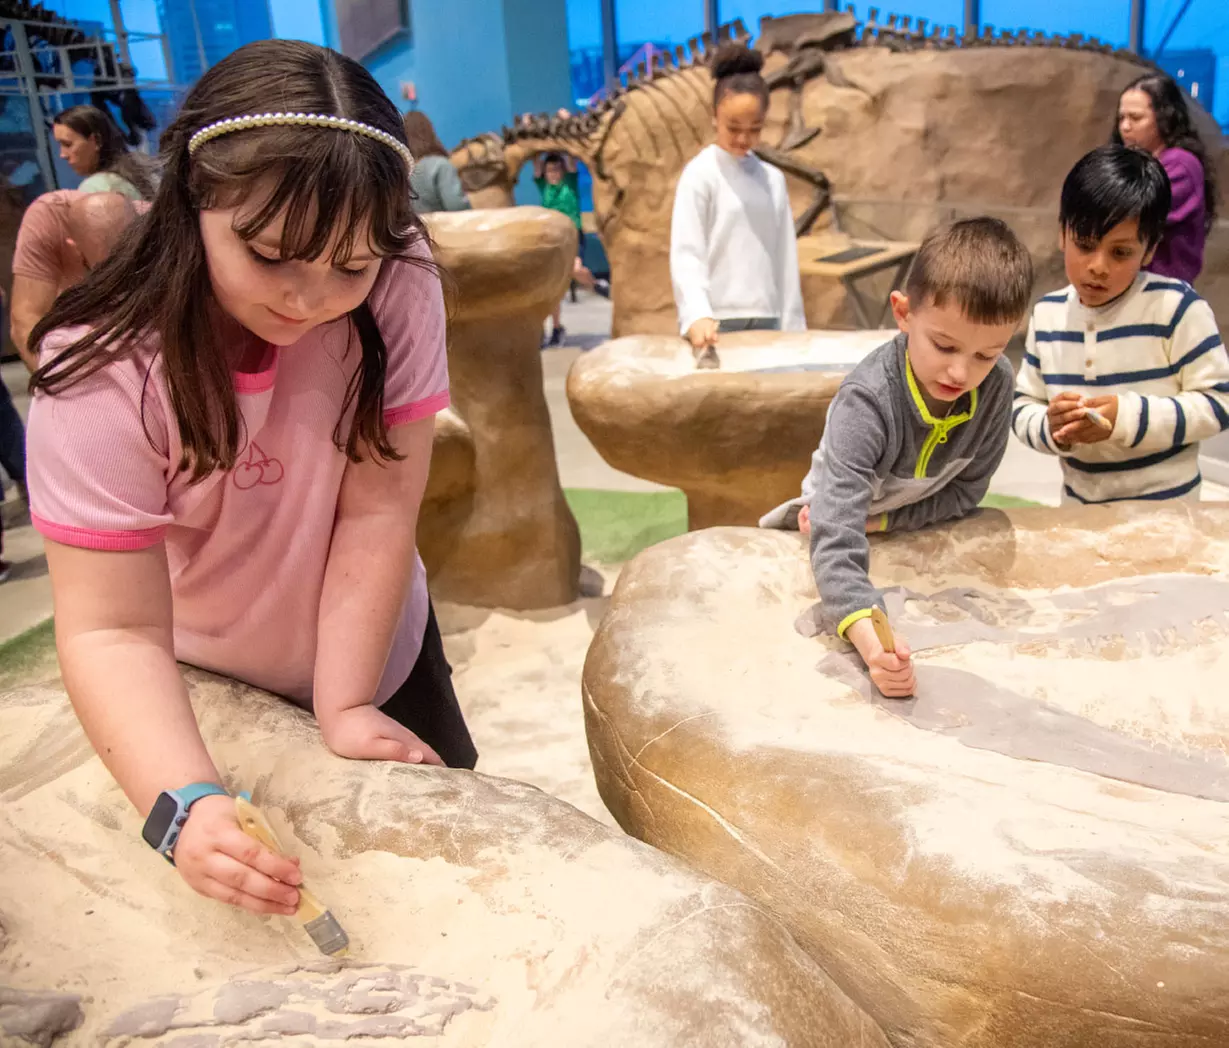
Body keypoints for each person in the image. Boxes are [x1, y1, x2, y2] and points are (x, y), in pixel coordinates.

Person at [25, 39, 477, 921]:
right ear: (192, 198)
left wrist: (344, 700)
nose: (309, 299)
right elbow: (112, 628)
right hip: (204, 669)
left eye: (350, 267)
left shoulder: (401, 269)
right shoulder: (101, 365)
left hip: (378, 643)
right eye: (269, 255)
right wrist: (183, 805)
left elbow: (379, 505)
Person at [759, 218, 1033, 697]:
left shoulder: (998, 386)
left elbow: (967, 491)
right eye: (944, 345)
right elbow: (837, 538)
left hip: (883, 518)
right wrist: (870, 636)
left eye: (986, 354)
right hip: (825, 516)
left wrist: (885, 524)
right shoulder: (867, 402)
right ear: (903, 314)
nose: (960, 371)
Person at [1013, 144, 1229, 505]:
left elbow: (1219, 402)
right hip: (1079, 513)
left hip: (1168, 517)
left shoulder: (1175, 308)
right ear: (1062, 235)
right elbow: (1023, 405)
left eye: (1120, 252)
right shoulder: (1048, 314)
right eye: (1085, 244)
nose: (1098, 266)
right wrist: (1051, 427)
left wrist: (1127, 417)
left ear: (1148, 250)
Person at [670, 43, 805, 369]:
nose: (744, 139)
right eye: (734, 128)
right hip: (715, 324)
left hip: (768, 319)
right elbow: (687, 253)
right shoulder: (700, 175)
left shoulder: (771, 178)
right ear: (715, 115)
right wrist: (697, 314)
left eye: (754, 129)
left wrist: (794, 328)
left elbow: (785, 257)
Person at [11, 190, 141, 370]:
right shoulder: (48, 220)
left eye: (123, 268)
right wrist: (58, 387)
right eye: (102, 270)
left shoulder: (156, 224)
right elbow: (25, 320)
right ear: (75, 250)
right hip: (74, 339)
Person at [1113, 74, 1218, 284]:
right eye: (1121, 118)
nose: (1125, 127)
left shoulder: (1180, 165)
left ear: (1164, 118)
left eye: (1135, 118)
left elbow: (1127, 214)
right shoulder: (1139, 161)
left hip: (1162, 291)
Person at [533, 145, 608, 347]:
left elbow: (572, 159)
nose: (553, 174)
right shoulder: (544, 185)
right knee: (553, 286)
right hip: (552, 240)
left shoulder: (570, 182)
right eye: (550, 170)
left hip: (573, 236)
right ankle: (556, 328)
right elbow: (536, 163)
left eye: (557, 169)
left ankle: (596, 286)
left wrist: (561, 140)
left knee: (575, 269)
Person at [53, 105, 157, 201]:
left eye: (67, 144)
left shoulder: (95, 188)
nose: (63, 155)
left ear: (97, 140)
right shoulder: (143, 172)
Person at [403, 111, 471, 213]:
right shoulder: (441, 165)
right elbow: (456, 206)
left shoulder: (403, 172)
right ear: (430, 132)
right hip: (445, 228)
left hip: (417, 228)